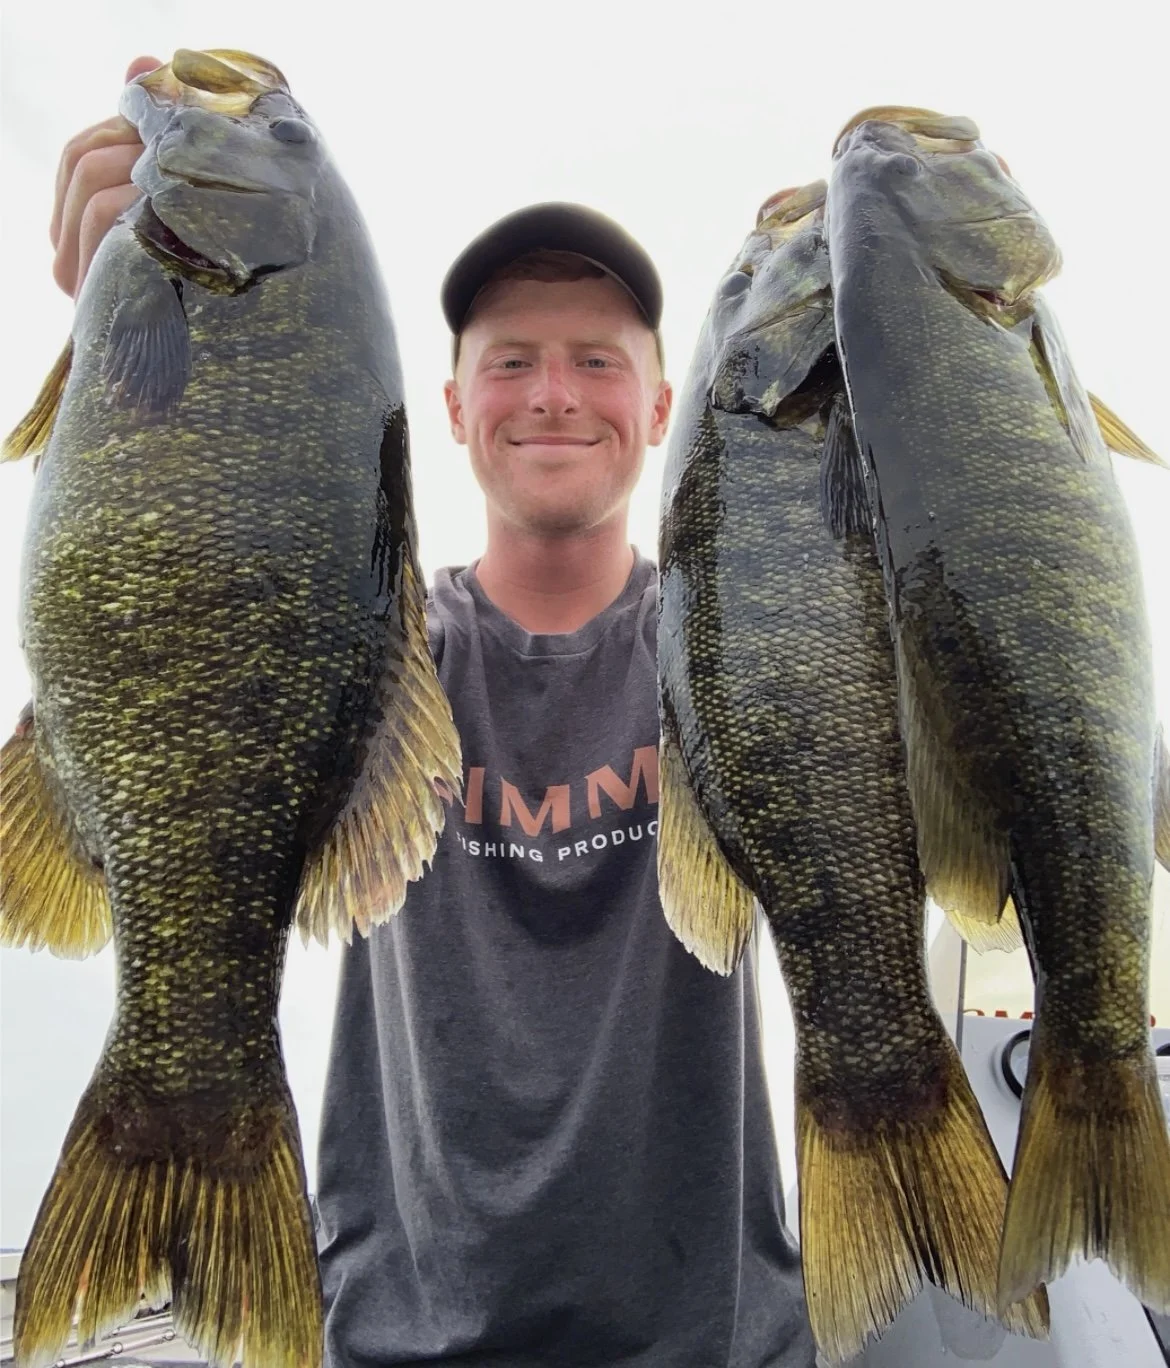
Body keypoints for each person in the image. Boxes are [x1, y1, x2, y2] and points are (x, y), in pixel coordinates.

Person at [48, 57, 816, 1368]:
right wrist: (126, 324)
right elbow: (207, 558)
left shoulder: (742, 647)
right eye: (509, 360)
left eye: (595, 359)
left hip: (712, 1340)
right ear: (451, 408)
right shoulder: (377, 642)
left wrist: (914, 359)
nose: (554, 393)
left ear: (660, 407)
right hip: (398, 1334)